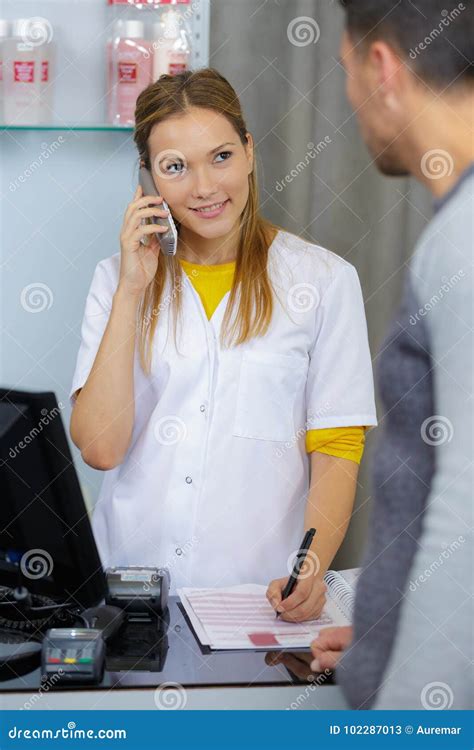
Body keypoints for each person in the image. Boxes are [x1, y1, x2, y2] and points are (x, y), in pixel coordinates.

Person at [69, 68, 377, 608]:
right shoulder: (114, 282)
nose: (205, 187)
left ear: (250, 151)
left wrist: (309, 568)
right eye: (175, 168)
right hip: (125, 593)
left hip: (253, 596)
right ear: (148, 179)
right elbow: (100, 448)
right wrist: (129, 293)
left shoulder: (323, 280)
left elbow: (336, 449)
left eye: (221, 156)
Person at [311, 0, 473, 709]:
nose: (349, 99)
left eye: (346, 70)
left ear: (382, 69)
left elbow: (465, 511)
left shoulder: (462, 240)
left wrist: (412, 709)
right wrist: (389, 629)